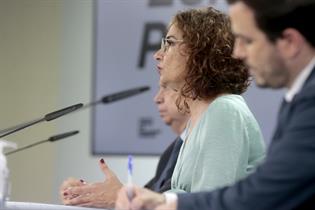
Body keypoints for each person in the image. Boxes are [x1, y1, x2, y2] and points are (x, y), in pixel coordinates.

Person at [115, 0, 315, 209]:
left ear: (201, 52)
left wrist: (168, 201)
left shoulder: (225, 110)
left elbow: (250, 195)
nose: (237, 53)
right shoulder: (294, 99)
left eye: (170, 43)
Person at [59, 81, 190, 208]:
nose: (157, 98)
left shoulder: (198, 148)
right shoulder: (171, 152)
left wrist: (120, 197)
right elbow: (151, 197)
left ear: (192, 92)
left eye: (166, 88)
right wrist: (90, 194)